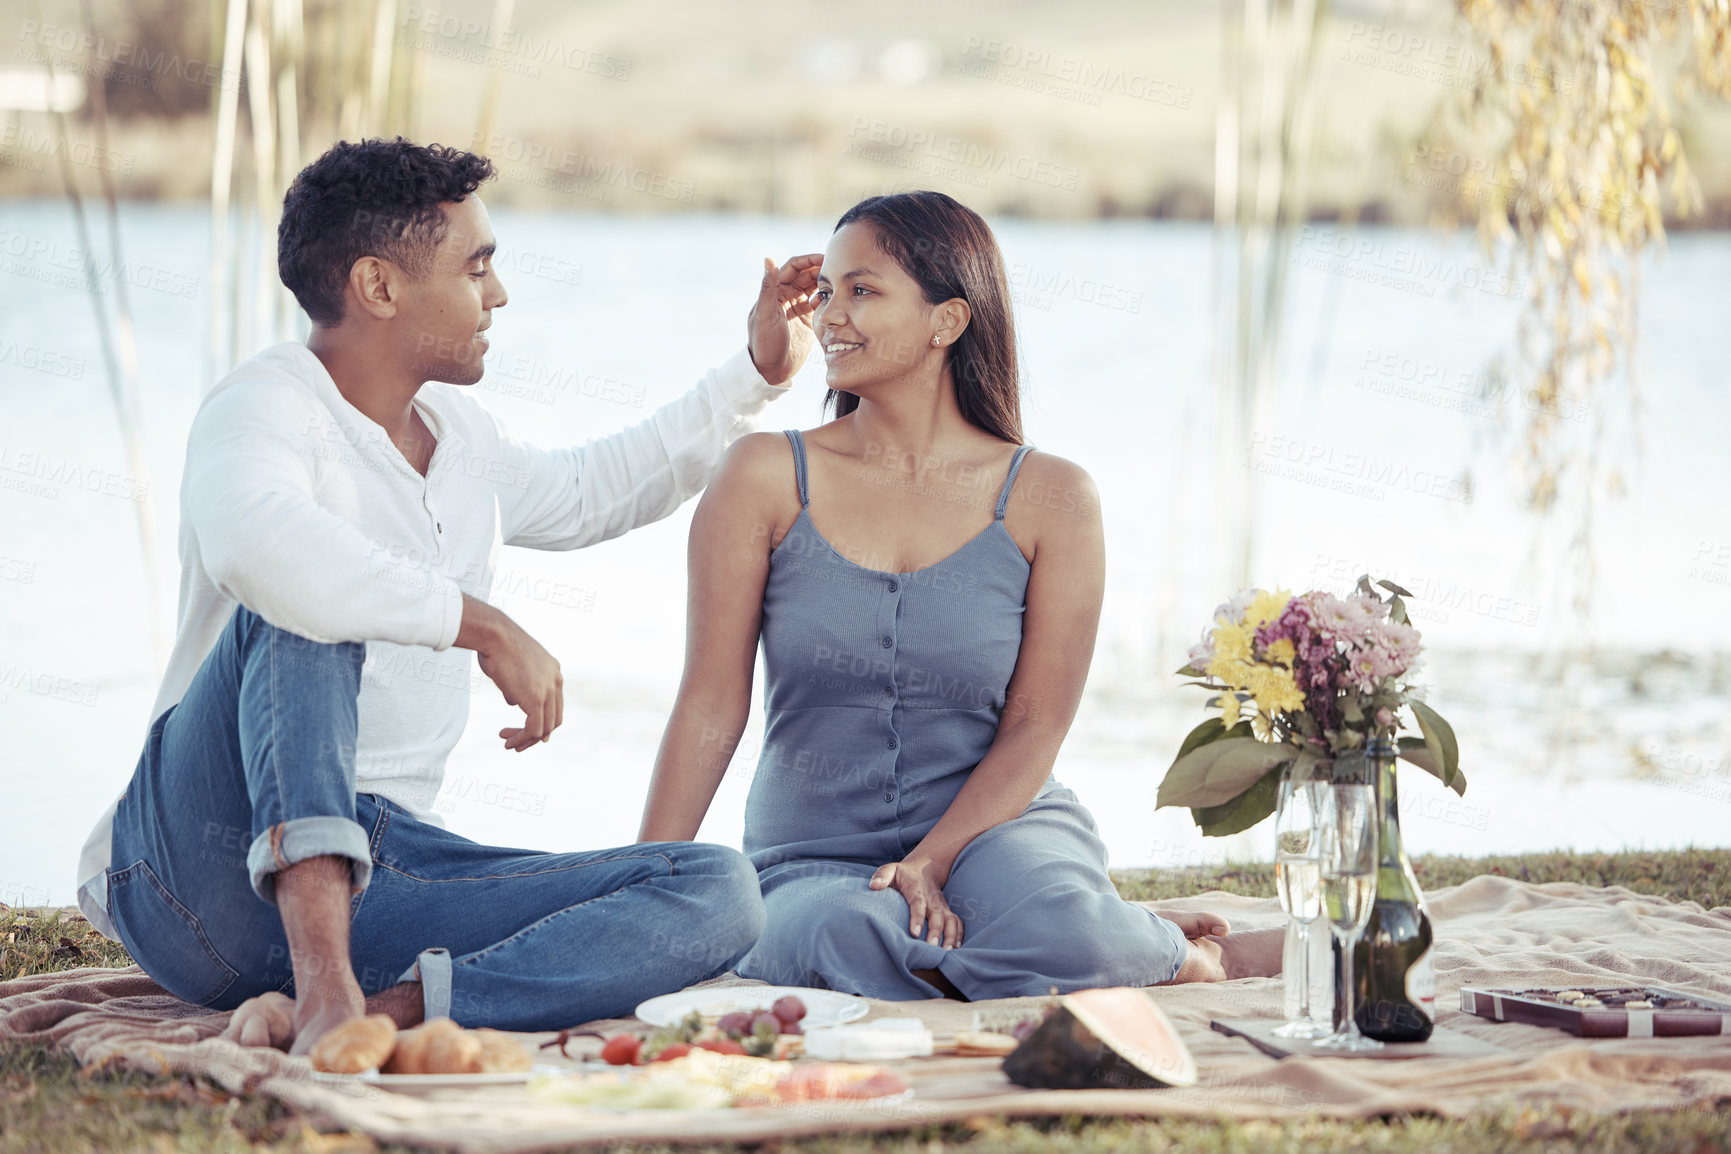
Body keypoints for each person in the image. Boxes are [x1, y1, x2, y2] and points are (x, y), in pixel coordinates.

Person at [72, 137, 820, 1053]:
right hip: (199, 869)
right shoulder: (264, 406)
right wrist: (477, 623)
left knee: (712, 889)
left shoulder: (459, 437)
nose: (497, 294)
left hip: (385, 870)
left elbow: (597, 488)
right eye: (477, 267)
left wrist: (757, 371)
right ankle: (324, 995)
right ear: (380, 287)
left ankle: (386, 1015)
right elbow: (257, 544)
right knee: (308, 603)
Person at [638, 190, 1281, 1000]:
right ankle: (1091, 941)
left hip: (999, 833)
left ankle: (1158, 946)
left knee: (1059, 927)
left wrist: (930, 861)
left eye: (862, 290)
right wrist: (644, 891)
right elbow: (708, 704)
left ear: (946, 321)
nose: (831, 314)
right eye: (826, 289)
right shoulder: (764, 476)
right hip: (810, 858)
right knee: (843, 936)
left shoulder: (1051, 497)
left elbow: (1035, 726)